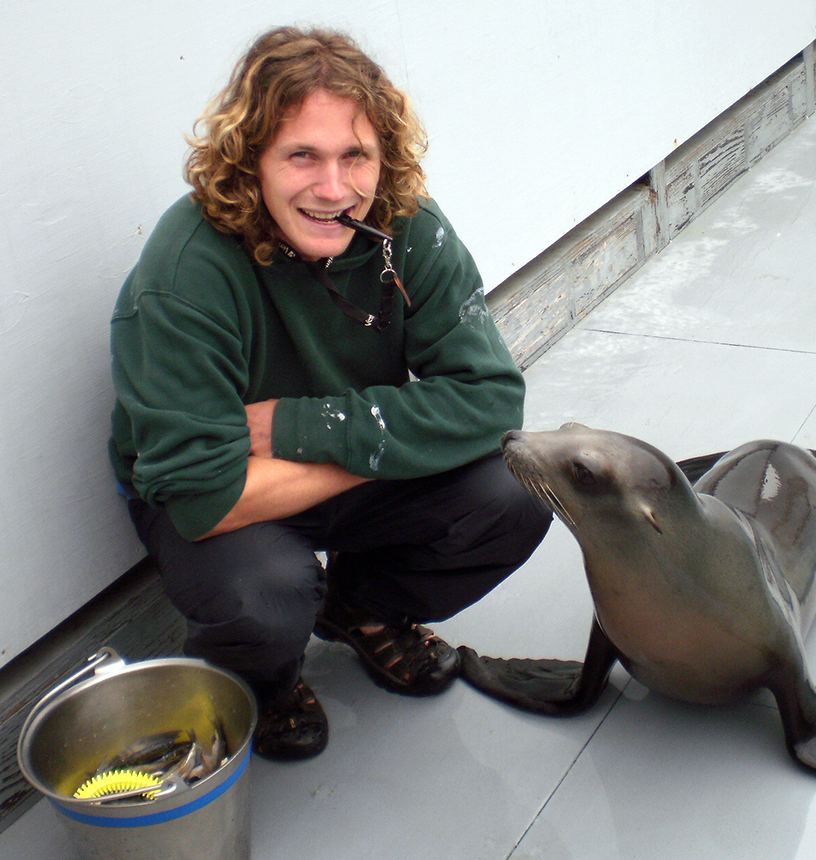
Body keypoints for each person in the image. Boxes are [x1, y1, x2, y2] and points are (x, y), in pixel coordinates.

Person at [108, 26, 552, 761]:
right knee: (265, 598)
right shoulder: (184, 274)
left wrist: (293, 424)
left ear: (386, 158)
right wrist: (383, 442)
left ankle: (363, 608)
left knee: (522, 490)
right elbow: (200, 493)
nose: (333, 188)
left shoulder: (407, 229)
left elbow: (491, 400)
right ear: (250, 160)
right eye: (302, 156)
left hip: (297, 447)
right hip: (225, 498)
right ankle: (269, 680)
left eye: (356, 156)